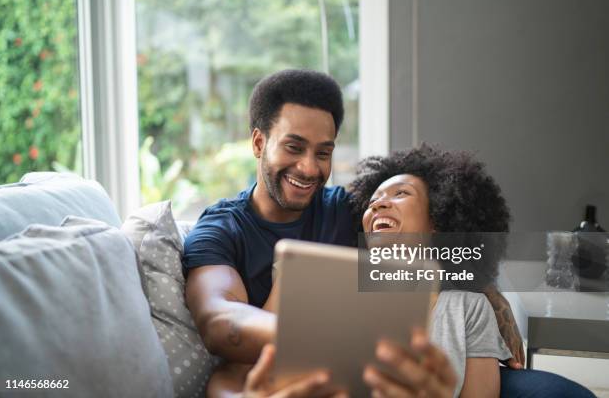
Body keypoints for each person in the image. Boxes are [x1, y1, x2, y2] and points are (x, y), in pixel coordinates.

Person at [183, 69, 530, 396]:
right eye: (294, 146)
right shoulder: (220, 229)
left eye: (323, 152)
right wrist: (328, 337)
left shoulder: (348, 210)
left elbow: (424, 234)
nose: (309, 168)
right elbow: (220, 322)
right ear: (259, 143)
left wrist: (485, 290)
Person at [346, 144, 595, 398]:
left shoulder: (470, 308)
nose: (378, 205)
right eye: (373, 200)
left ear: (437, 221)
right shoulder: (345, 297)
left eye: (400, 193)